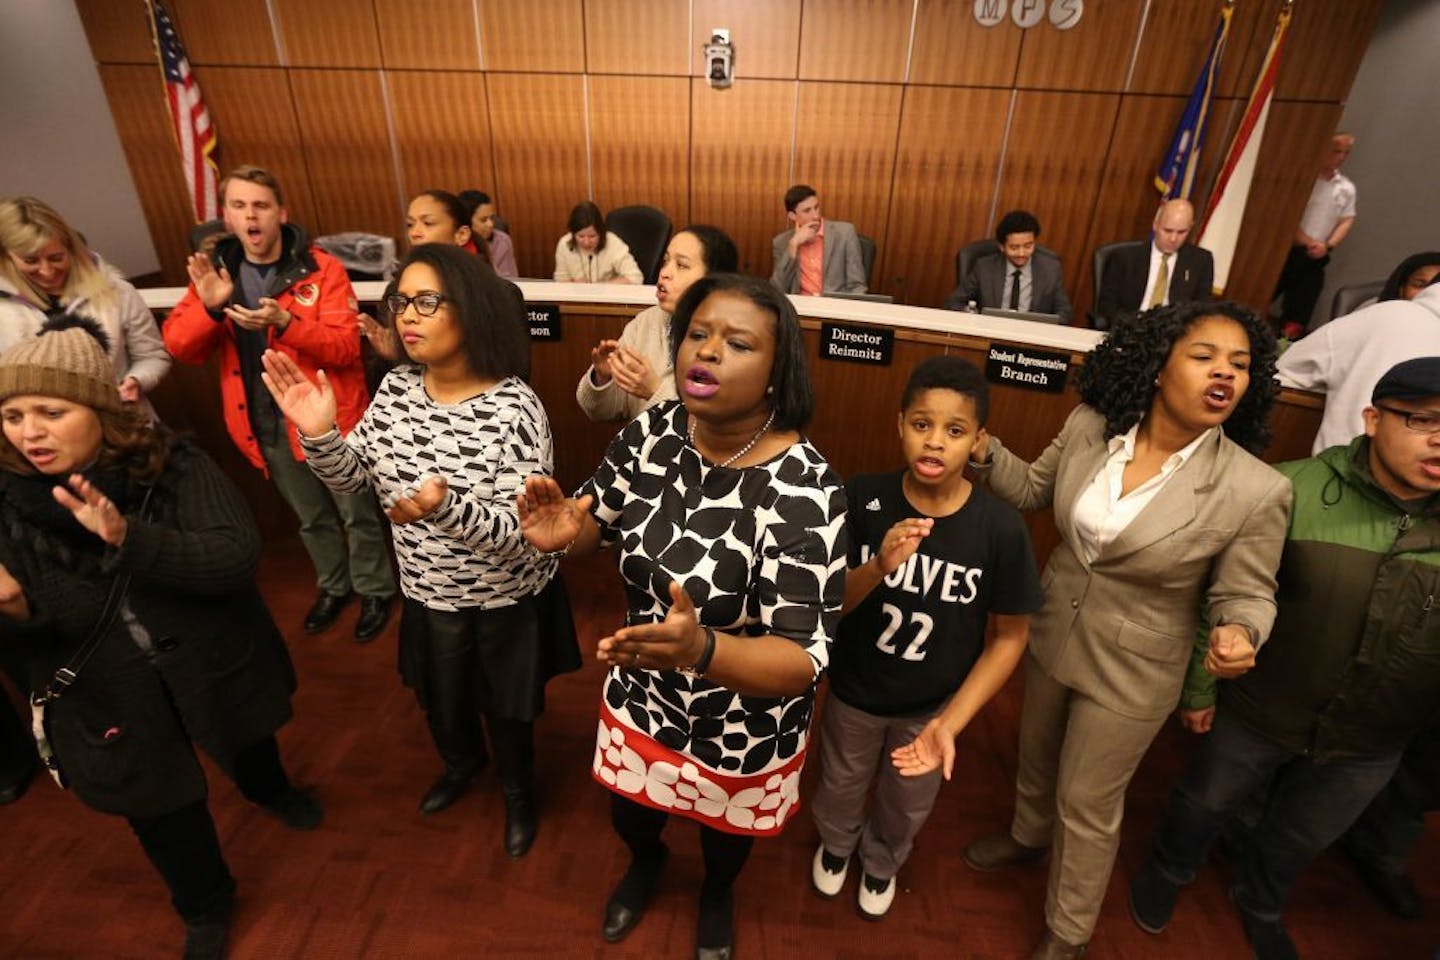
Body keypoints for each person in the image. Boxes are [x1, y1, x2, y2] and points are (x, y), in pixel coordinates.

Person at [517, 273, 847, 960]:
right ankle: (646, 865)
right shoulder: (654, 432)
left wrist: (703, 651)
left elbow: (800, 660)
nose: (708, 351)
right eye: (698, 333)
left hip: (743, 721)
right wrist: (563, 534)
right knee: (631, 815)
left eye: (737, 342)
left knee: (726, 841)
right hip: (645, 693)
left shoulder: (806, 488)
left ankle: (716, 895)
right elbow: (591, 523)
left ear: (776, 372)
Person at [959, 300, 1291, 960]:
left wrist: (1241, 632)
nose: (1223, 374)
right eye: (1204, 357)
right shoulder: (1090, 425)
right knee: (1036, 753)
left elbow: (1247, 591)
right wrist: (985, 452)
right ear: (1158, 366)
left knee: (1086, 800)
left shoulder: (1255, 489)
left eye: (1240, 365)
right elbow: (1031, 490)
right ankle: (1028, 836)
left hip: (1138, 665)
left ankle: (1068, 931)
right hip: (1054, 624)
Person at [0, 317, 317, 960]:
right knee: (160, 807)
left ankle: (270, 790)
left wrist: (127, 539)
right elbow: (29, 652)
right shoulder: (5, 504)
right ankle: (205, 905)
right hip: (111, 698)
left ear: (99, 408)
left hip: (210, 660)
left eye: (50, 411)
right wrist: (12, 608)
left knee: (246, 735)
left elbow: (234, 556)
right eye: (10, 415)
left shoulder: (171, 465)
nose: (28, 433)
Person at [259, 243, 577, 856]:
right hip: (428, 594)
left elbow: (528, 541)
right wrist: (320, 431)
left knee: (506, 713)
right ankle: (461, 768)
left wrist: (443, 508)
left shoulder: (514, 408)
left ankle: (517, 793)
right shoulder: (399, 388)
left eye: (428, 301)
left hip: (502, 603)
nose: (408, 315)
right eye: (402, 300)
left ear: (473, 310)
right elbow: (355, 478)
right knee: (440, 700)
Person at [1129, 356, 1440, 960]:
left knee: (1304, 832)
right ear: (1373, 419)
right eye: (1423, 419)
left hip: (1374, 737)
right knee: (1204, 801)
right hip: (1261, 708)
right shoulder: (1289, 488)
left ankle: (1262, 901)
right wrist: (1199, 689)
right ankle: (1169, 870)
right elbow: (1218, 595)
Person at [809, 356, 1043, 920]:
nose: (935, 442)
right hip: (854, 692)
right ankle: (837, 846)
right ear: (900, 425)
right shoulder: (863, 497)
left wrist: (951, 722)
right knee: (839, 782)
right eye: (921, 425)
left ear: (979, 440)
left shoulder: (1000, 528)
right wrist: (878, 566)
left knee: (908, 798)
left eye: (955, 430)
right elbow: (825, 605)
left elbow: (1010, 638)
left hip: (933, 707)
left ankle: (883, 860)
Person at [164, 165, 397, 642]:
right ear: (227, 216)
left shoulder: (321, 268)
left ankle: (376, 589)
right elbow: (181, 349)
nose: (251, 216)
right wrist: (210, 308)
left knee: (356, 511)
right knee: (310, 516)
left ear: (280, 214)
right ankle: (335, 585)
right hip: (263, 418)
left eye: (261, 206)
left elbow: (345, 349)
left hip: (328, 415)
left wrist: (287, 321)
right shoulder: (217, 272)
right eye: (240, 206)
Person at [0, 195, 172, 412]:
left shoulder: (115, 289)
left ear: (71, 248)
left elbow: (152, 356)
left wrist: (136, 381)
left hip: (123, 423)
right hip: (40, 434)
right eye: (31, 261)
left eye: (56, 257)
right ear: (6, 257)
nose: (47, 271)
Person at [576, 225, 738, 422]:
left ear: (713, 280)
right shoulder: (645, 322)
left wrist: (654, 391)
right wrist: (603, 378)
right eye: (666, 261)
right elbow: (602, 412)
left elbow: (714, 426)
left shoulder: (730, 342)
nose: (664, 273)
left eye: (681, 265)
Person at [1276, 272, 1440, 453]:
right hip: (1350, 468)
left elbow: (1289, 367)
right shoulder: (1391, 317)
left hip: (1344, 465)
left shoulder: (1389, 315)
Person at [1272, 132, 1358, 339]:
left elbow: (1347, 219)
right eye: (1336, 151)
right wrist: (1306, 240)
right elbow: (1288, 214)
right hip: (1287, 250)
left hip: (1317, 255)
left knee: (1301, 306)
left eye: (1346, 153)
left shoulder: (1345, 187)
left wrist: (1327, 245)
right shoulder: (1305, 180)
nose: (1341, 157)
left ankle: (1284, 345)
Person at [1093, 199, 1214, 329]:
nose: (1173, 239)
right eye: (1167, 231)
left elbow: (1201, 309)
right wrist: (1134, 328)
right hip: (1130, 329)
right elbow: (1107, 306)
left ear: (1190, 228)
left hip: (1173, 334)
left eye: (1181, 232)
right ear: (1155, 225)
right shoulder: (1124, 257)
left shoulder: (1201, 261)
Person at [945, 210, 1072, 322]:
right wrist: (972, 316)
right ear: (1002, 247)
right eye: (1014, 247)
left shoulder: (1051, 269)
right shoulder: (984, 267)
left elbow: (1065, 312)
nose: (1022, 253)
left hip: (1031, 336)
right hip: (991, 330)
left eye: (1028, 246)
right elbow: (954, 302)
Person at [769, 184, 868, 296]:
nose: (815, 216)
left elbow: (858, 286)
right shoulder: (782, 242)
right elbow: (777, 289)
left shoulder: (844, 233)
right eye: (807, 211)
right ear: (792, 216)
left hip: (834, 306)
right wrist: (793, 245)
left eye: (816, 207)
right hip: (801, 307)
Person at [553, 201, 642, 284]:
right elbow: (560, 282)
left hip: (608, 297)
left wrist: (601, 288)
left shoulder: (612, 242)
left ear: (601, 232)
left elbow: (635, 277)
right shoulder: (564, 244)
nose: (586, 242)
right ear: (573, 233)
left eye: (592, 236)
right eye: (580, 236)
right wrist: (575, 286)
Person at [460, 190, 518, 279]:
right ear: (466, 222)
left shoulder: (501, 240)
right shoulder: (452, 243)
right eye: (483, 220)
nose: (491, 224)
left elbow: (510, 280)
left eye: (491, 218)